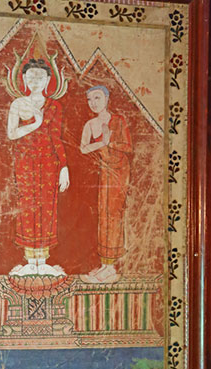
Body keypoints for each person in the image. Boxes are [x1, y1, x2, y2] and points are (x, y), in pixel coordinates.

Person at [7, 58, 70, 277]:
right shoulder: (18, 104)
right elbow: (11, 134)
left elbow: (56, 138)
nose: (35, 80)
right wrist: (35, 124)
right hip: (25, 161)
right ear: (24, 79)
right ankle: (29, 261)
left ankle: (42, 262)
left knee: (47, 206)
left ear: (48, 80)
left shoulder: (54, 106)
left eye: (40, 76)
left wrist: (63, 167)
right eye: (31, 76)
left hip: (49, 162)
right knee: (27, 205)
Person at [80, 85, 132, 284]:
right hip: (105, 171)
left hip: (119, 171)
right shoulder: (90, 124)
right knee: (104, 214)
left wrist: (109, 143)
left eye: (97, 98)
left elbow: (128, 147)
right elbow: (84, 148)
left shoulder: (118, 121)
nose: (93, 103)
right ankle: (105, 264)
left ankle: (111, 266)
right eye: (90, 99)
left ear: (107, 99)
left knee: (114, 213)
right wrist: (102, 143)